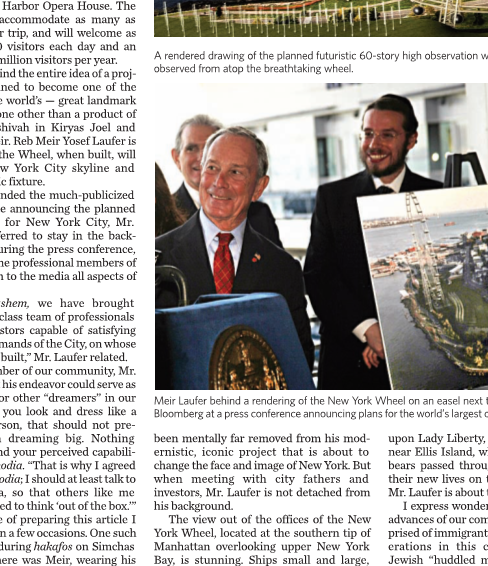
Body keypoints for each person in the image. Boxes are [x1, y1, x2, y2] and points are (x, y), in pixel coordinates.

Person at [305, 94, 440, 390]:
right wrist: (369, 331)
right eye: (368, 133)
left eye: (387, 135)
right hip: (347, 368)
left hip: (423, 363)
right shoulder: (331, 198)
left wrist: (393, 334)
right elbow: (318, 277)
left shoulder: (438, 196)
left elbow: (437, 277)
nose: (373, 144)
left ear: (412, 139)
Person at [156, 127, 313, 368]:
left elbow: (298, 360)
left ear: (259, 187)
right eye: (212, 168)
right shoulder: (157, 261)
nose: (219, 183)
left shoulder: (283, 269)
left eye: (235, 172)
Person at [170, 113, 282, 245]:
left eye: (208, 148)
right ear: (176, 158)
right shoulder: (160, 212)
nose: (201, 157)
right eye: (191, 148)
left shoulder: (259, 215)